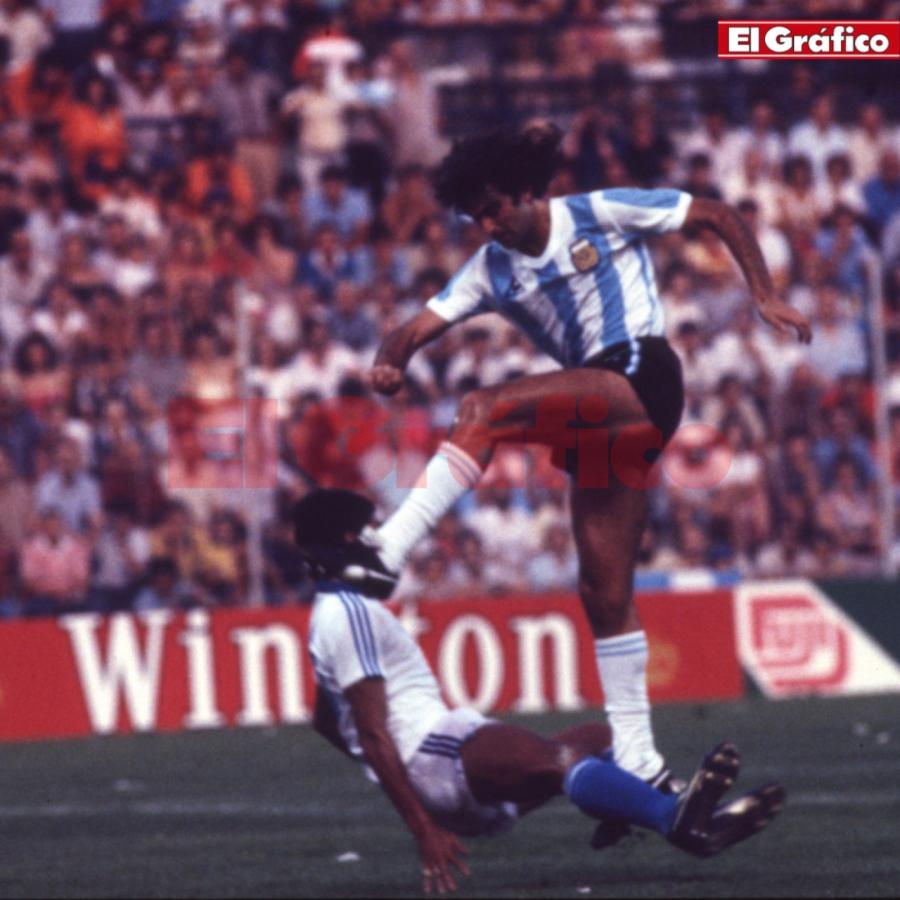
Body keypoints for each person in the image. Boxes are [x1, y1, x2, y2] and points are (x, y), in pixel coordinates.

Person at [342, 124, 808, 845]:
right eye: (475, 217)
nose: (488, 225)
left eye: (494, 208)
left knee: (483, 411)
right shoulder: (490, 269)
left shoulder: (598, 211)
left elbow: (717, 213)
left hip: (640, 377)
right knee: (602, 593)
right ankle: (647, 770)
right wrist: (388, 362)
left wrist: (764, 298)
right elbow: (410, 328)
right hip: (599, 417)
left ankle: (387, 550)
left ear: (529, 191)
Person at [296, 488, 785, 895]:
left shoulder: (331, 614)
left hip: (436, 763)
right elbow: (374, 734)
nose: (378, 539)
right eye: (367, 529)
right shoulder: (350, 613)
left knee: (598, 738)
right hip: (435, 754)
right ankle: (672, 818)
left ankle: (683, 810)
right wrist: (422, 824)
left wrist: (396, 777)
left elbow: (326, 721)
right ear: (344, 539)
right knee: (562, 763)